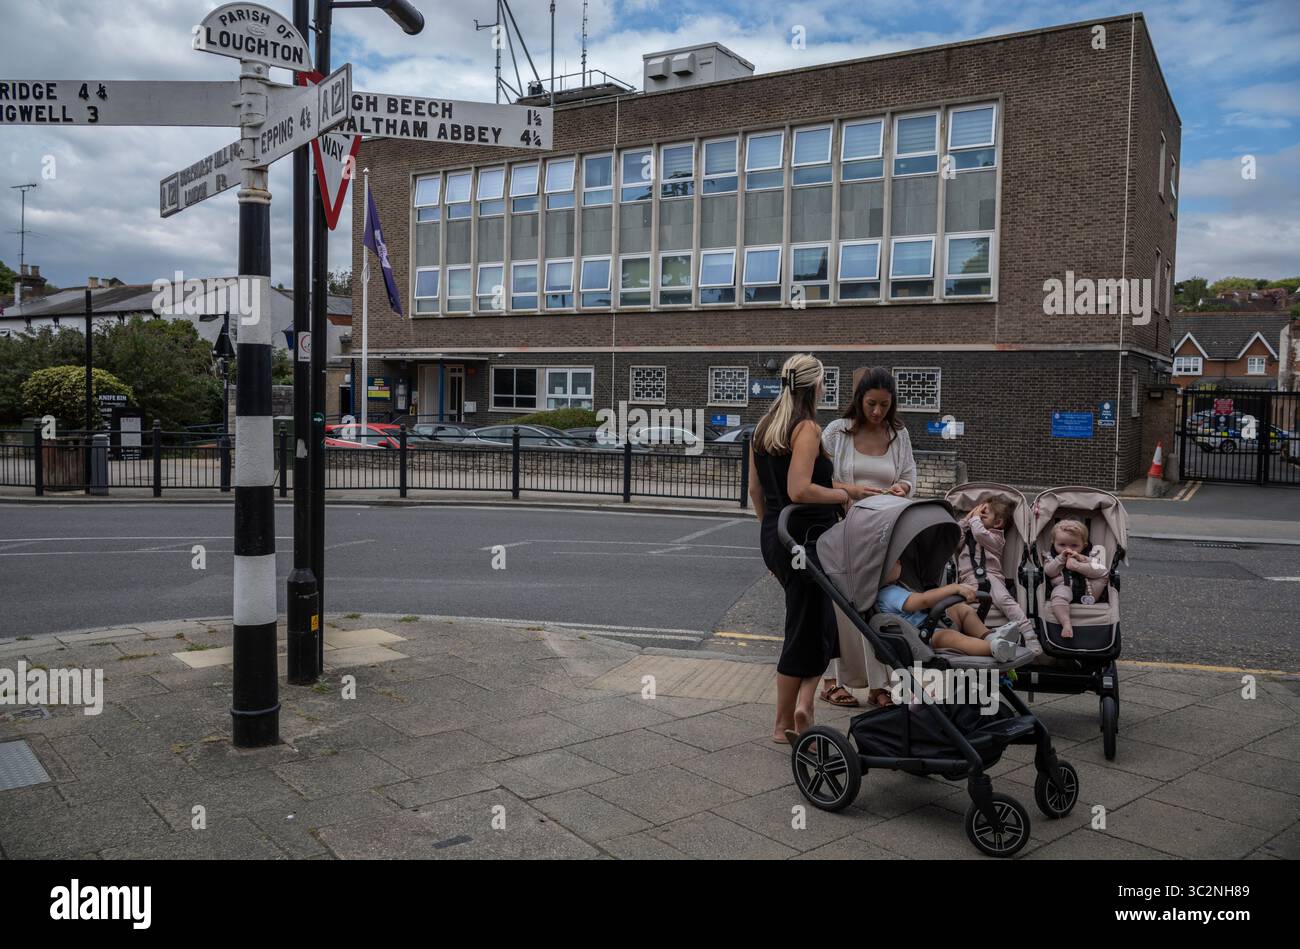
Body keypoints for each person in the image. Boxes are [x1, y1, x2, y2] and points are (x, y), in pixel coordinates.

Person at [748, 354, 849, 744]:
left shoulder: (764, 425)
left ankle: (805, 705)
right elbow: (800, 489)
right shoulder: (805, 427)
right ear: (816, 385)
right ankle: (782, 724)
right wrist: (846, 492)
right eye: (825, 382)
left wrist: (771, 535)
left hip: (779, 535)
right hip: (806, 538)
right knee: (803, 626)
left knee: (821, 622)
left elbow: (757, 491)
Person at [818, 367, 918, 709]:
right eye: (871, 404)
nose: (877, 412)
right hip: (844, 530)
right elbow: (820, 481)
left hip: (883, 534)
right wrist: (854, 490)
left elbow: (908, 478)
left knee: (876, 605)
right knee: (840, 605)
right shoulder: (836, 432)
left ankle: (880, 685)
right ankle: (831, 680)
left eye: (885, 405)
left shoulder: (898, 433)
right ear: (858, 400)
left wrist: (902, 488)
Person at [876, 559, 1023, 661]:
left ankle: (990, 636)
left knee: (961, 609)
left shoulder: (897, 587)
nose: (899, 562)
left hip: (933, 623)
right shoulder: (888, 593)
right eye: (894, 561)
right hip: (921, 636)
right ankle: (994, 647)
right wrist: (953, 588)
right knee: (951, 637)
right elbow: (922, 601)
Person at [958, 500, 1037, 651]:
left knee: (1003, 600)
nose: (977, 518)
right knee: (952, 602)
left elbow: (980, 534)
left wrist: (974, 519)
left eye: (983, 516)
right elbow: (953, 538)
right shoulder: (969, 535)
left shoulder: (997, 538)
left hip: (990, 577)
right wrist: (966, 519)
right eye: (977, 515)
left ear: (998, 522)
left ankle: (1029, 635)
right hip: (967, 580)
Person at [1042, 518, 1109, 640]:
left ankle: (1077, 567)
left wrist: (1079, 562)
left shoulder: (1088, 556)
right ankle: (1066, 623)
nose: (1068, 549)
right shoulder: (1051, 557)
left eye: (1074, 545)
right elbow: (1049, 572)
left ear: (1084, 545)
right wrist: (1061, 559)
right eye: (1062, 545)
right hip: (1064, 587)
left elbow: (1100, 571)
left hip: (1089, 591)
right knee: (1058, 596)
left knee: (1103, 572)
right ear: (1053, 543)